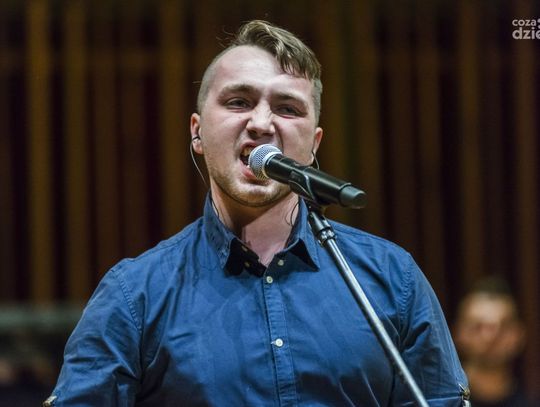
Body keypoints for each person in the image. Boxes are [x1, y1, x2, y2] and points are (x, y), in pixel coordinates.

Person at [46, 20, 468, 406]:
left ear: (314, 143)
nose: (262, 123)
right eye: (238, 102)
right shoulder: (134, 295)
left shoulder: (393, 278)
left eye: (287, 108)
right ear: (197, 131)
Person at [453, 277, 535, 407]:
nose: (490, 336)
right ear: (458, 333)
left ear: (519, 334)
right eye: (477, 326)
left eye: (504, 326)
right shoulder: (435, 402)